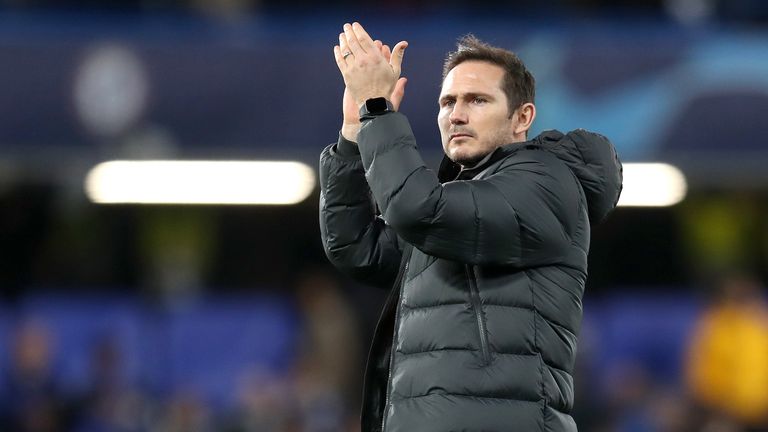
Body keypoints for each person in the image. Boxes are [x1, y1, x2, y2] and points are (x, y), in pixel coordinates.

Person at [319, 22, 622, 432]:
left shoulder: (546, 182)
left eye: (477, 100)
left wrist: (377, 108)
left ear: (522, 117)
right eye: (448, 102)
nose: (457, 115)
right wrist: (355, 132)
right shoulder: (456, 202)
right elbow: (357, 248)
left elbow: (418, 210)